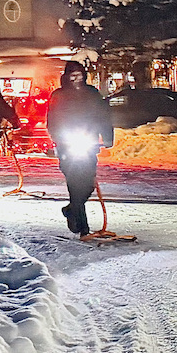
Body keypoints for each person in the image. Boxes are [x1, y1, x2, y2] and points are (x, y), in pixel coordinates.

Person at [45, 61, 114, 237]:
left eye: (79, 75)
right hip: (67, 146)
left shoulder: (92, 93)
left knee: (88, 184)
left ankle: (71, 210)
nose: (76, 79)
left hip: (88, 142)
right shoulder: (59, 96)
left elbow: (103, 116)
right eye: (72, 76)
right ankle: (83, 228)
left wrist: (107, 137)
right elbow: (52, 120)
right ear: (66, 77)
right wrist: (58, 138)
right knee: (75, 187)